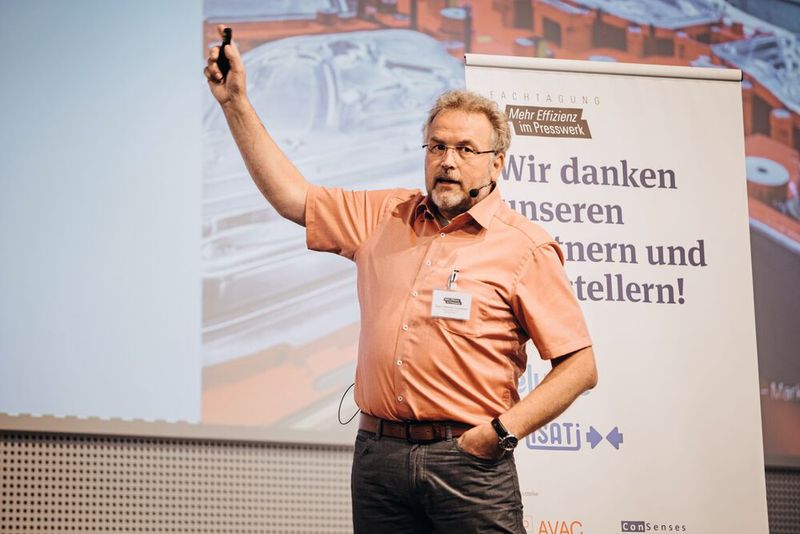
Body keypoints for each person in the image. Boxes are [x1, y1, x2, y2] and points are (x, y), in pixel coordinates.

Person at [204, 25, 598, 533]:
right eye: (436, 147)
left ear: (497, 163)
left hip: (468, 464)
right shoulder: (382, 215)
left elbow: (580, 366)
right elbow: (292, 199)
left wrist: (499, 433)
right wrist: (235, 103)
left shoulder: (525, 247)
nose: (447, 161)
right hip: (380, 459)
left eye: (464, 150)